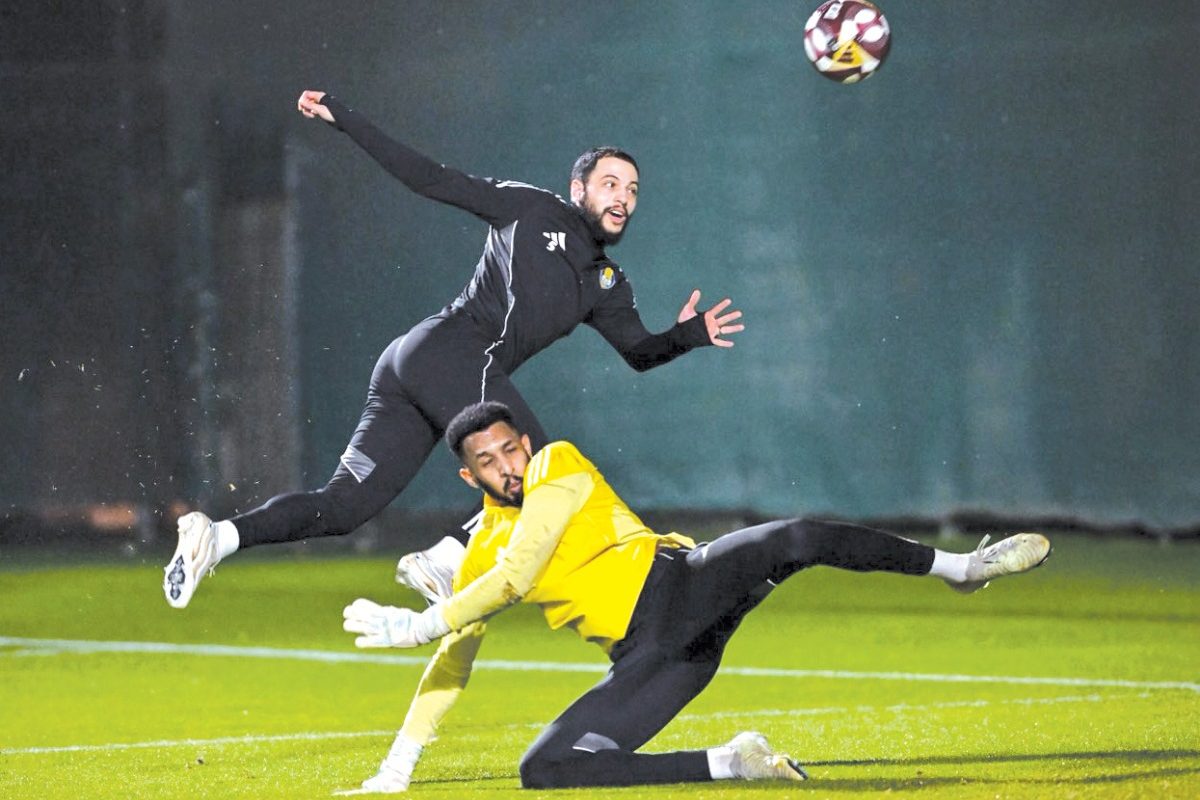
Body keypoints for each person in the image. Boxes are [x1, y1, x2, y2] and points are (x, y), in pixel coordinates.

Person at [162, 90, 746, 609]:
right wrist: (348, 118)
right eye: (610, 184)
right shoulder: (532, 208)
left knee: (343, 509)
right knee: (544, 470)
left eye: (633, 190)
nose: (623, 197)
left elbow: (639, 352)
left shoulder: (606, 283)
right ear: (579, 190)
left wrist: (688, 334)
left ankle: (219, 536)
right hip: (448, 353)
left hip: (426, 365)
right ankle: (446, 559)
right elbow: (433, 178)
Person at [338, 401, 1052, 792]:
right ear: (470, 479)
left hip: (685, 583)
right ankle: (731, 761)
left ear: (526, 443)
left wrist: (421, 622)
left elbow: (522, 574)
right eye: (486, 462)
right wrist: (397, 767)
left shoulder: (557, 463)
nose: (506, 466)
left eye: (509, 448)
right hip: (659, 657)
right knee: (546, 771)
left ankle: (961, 569)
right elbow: (456, 661)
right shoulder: (481, 553)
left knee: (794, 536)